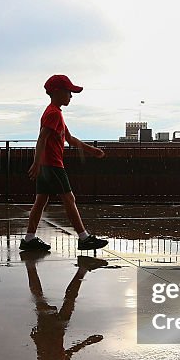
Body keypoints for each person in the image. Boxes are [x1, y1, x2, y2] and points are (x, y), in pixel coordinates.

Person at [20, 74, 109, 252]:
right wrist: (37, 163)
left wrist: (91, 150)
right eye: (69, 91)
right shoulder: (53, 113)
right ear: (57, 92)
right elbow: (42, 138)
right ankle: (84, 238)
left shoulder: (56, 113)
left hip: (47, 165)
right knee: (69, 198)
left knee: (41, 201)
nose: (71, 95)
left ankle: (29, 239)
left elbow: (69, 138)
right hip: (52, 165)